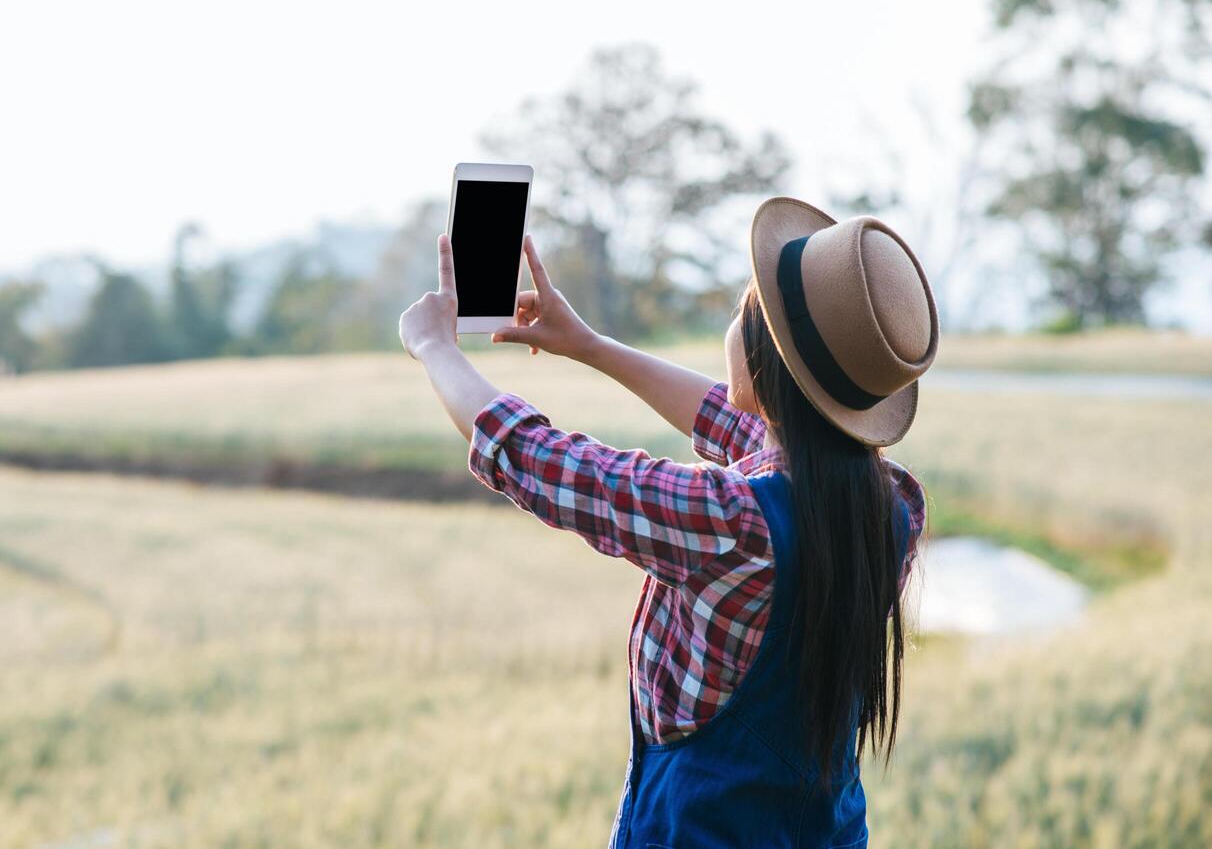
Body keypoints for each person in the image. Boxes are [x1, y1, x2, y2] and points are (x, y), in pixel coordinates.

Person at [398, 196, 937, 848]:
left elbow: (537, 458)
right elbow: (734, 421)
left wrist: (433, 347)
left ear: (769, 363)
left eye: (745, 308)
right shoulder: (892, 502)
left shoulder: (730, 523)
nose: (732, 324)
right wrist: (588, 345)